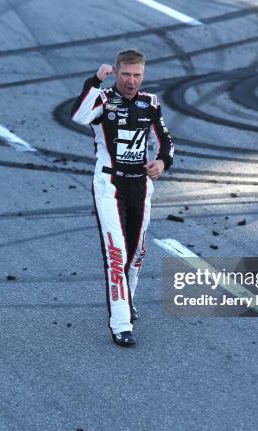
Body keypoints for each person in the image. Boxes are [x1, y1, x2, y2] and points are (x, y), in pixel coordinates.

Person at [70, 49, 174, 347]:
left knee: (137, 253)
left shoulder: (150, 102)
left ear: (144, 74)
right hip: (109, 183)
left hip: (140, 185)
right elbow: (78, 116)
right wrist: (95, 81)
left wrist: (162, 162)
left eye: (137, 75)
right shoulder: (103, 99)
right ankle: (120, 323)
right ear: (116, 72)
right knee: (116, 255)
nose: (131, 81)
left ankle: (127, 301)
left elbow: (166, 140)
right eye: (126, 74)